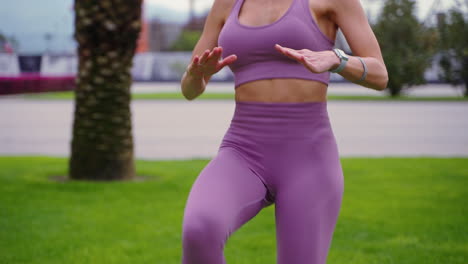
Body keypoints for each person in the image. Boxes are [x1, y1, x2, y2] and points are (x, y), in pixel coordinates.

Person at [179, 0, 388, 263]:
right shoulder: (226, 4)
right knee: (199, 229)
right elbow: (190, 89)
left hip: (308, 158)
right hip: (242, 151)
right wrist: (196, 74)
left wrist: (337, 59)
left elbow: (380, 75)